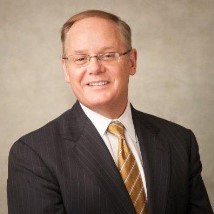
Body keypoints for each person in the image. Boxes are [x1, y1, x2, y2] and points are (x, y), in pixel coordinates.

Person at [7, 10, 213, 214]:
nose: (95, 68)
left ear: (131, 61)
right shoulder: (33, 154)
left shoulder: (179, 141)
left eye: (108, 55)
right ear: (66, 69)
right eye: (80, 58)